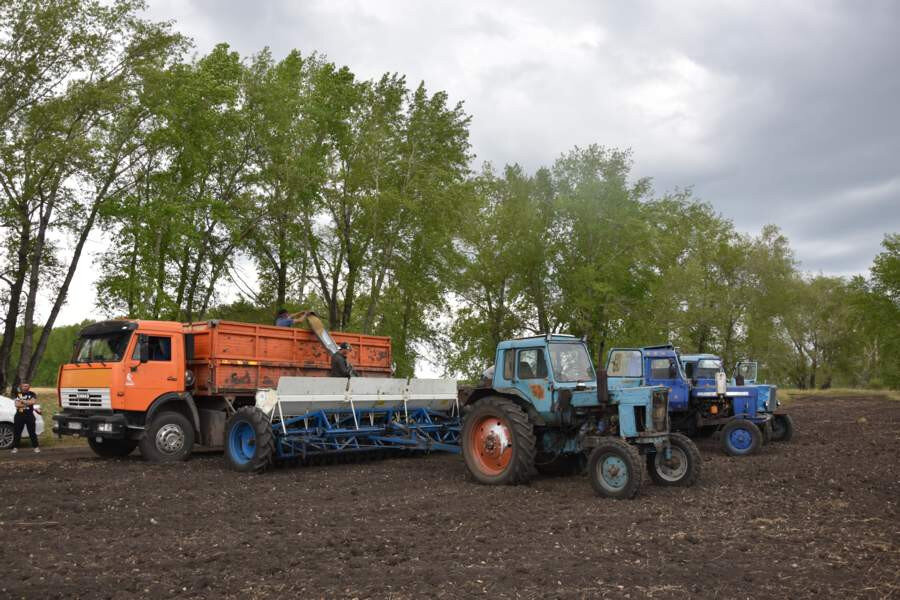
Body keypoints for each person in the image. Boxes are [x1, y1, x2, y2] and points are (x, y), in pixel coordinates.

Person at [12, 382, 39, 453]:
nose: (25, 387)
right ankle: (15, 447)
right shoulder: (18, 394)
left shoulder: (32, 394)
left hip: (29, 415)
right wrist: (27, 402)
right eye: (24, 386)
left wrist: (22, 401)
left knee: (32, 432)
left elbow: (33, 402)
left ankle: (36, 447)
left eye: (27, 386)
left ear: (29, 387)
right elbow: (17, 405)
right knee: (17, 432)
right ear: (21, 387)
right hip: (19, 415)